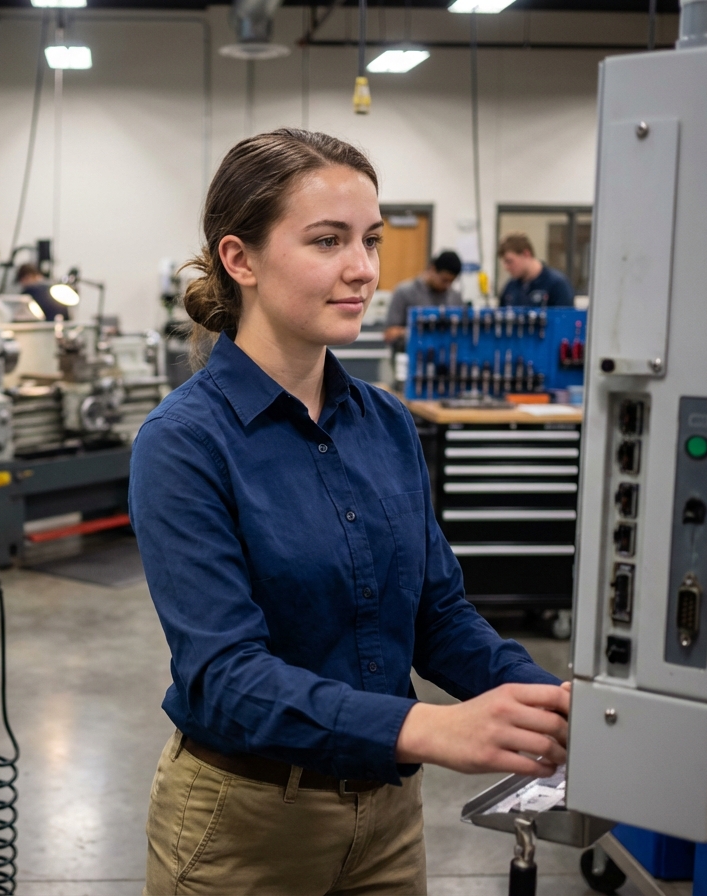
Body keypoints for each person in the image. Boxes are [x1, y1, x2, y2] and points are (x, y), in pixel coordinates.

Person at [128, 129, 570, 895]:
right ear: (241, 260)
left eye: (370, 240)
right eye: (328, 241)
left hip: (391, 823)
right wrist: (427, 728)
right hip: (244, 830)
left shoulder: (388, 423)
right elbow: (226, 677)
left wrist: (543, 700)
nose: (363, 270)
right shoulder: (185, 443)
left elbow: (436, 614)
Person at [383, 250, 464, 351]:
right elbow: (389, 334)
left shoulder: (454, 297)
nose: (447, 285)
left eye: (451, 282)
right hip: (408, 359)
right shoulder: (404, 292)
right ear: (433, 269)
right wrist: (418, 331)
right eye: (444, 280)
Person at [498, 232, 574, 308]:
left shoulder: (557, 285)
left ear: (526, 254)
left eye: (509, 261)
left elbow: (564, 317)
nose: (506, 268)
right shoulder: (511, 288)